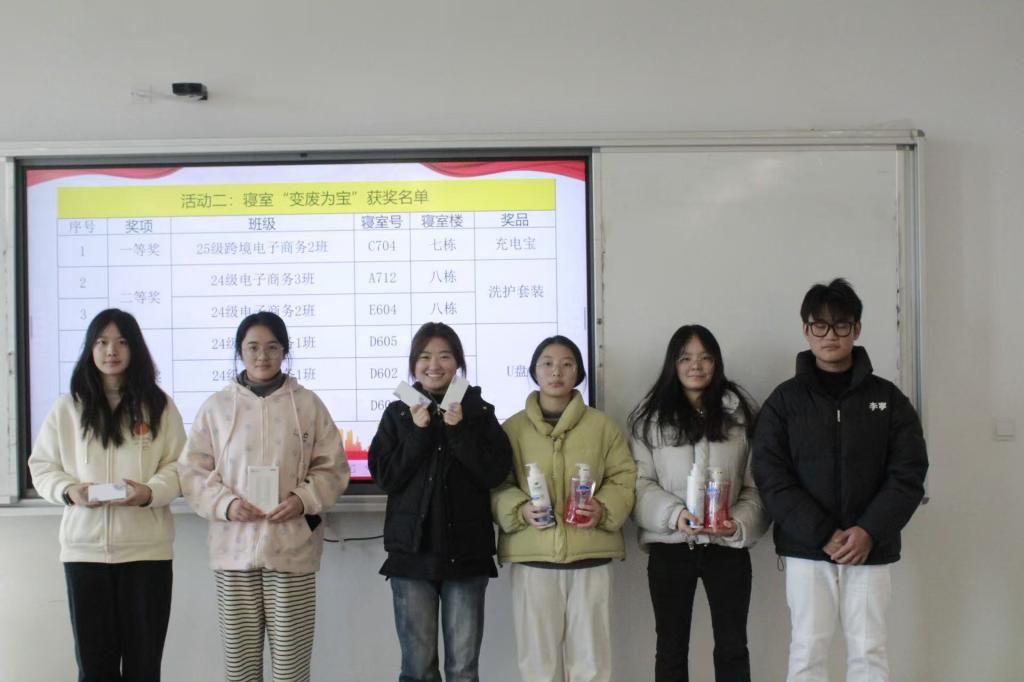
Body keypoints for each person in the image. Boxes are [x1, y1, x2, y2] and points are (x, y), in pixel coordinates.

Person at [752, 278, 928, 682]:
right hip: (807, 548)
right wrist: (822, 533)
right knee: (807, 650)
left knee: (869, 651)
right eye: (820, 325)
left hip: (870, 548)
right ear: (806, 329)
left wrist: (869, 530)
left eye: (841, 324)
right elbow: (770, 475)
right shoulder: (784, 402)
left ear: (857, 329)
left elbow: (909, 472)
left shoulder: (889, 399)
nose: (830, 335)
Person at [178, 311, 349, 682]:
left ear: (284, 351)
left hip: (292, 550)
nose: (262, 356)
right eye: (253, 347)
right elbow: (191, 472)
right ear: (240, 351)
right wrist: (226, 505)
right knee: (240, 669)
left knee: (291, 669)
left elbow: (333, 468)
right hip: (233, 552)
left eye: (272, 347)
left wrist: (302, 499)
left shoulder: (308, 405)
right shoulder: (217, 407)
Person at [29, 308, 186, 681]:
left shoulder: (159, 406)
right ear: (91, 349)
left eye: (121, 341)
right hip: (84, 554)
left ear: (135, 348)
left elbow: (180, 467)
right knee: (95, 668)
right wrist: (70, 491)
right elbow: (42, 466)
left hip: (146, 554)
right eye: (101, 342)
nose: (111, 351)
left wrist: (149, 492)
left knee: (143, 668)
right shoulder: (68, 407)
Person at [368, 322, 512, 682]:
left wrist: (459, 430)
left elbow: (495, 473)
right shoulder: (398, 413)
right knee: (417, 669)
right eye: (425, 356)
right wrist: (417, 434)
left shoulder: (479, 412)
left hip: (466, 555)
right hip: (412, 556)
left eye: (445, 356)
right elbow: (385, 476)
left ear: (458, 363)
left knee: (463, 669)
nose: (434, 365)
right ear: (413, 364)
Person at [491, 335, 637, 682]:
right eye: (547, 363)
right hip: (533, 560)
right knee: (537, 664)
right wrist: (520, 510)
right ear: (534, 371)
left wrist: (602, 509)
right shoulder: (511, 429)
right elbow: (496, 484)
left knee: (592, 663)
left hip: (590, 559)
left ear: (579, 373)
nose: (556, 371)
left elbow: (624, 476)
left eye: (567, 364)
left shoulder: (602, 426)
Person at [628, 324, 768, 682]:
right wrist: (674, 515)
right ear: (672, 364)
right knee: (671, 649)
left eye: (705, 358)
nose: (696, 365)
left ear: (716, 363)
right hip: (671, 547)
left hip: (727, 548)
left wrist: (736, 524)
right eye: (686, 358)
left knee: (733, 647)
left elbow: (757, 485)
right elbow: (639, 485)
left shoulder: (742, 415)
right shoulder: (649, 418)